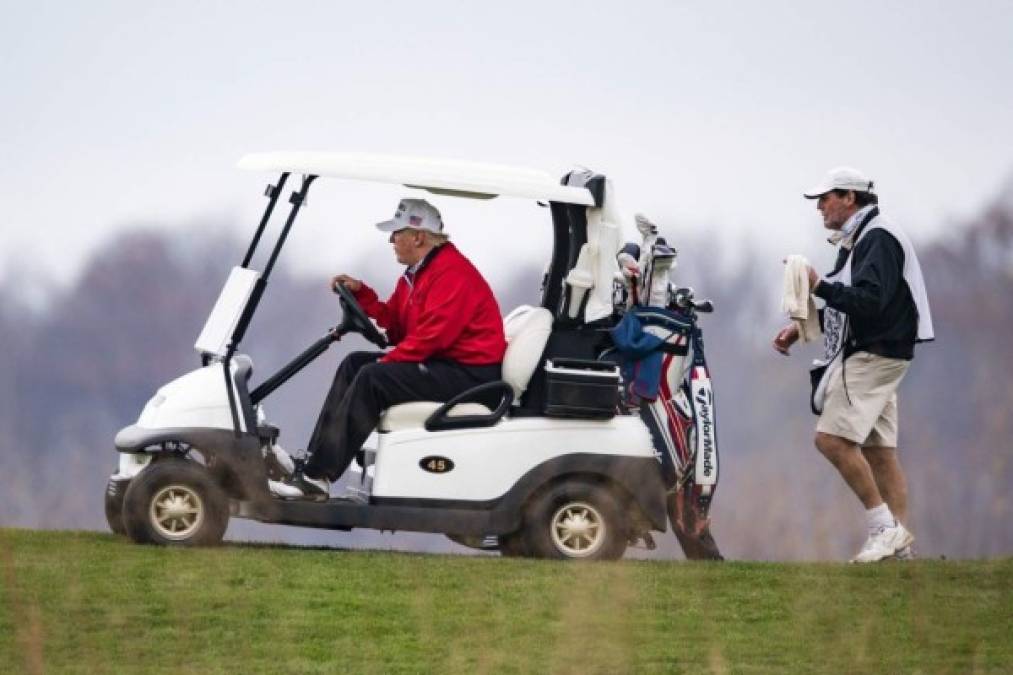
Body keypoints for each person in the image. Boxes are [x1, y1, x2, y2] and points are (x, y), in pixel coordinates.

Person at [270, 198, 507, 500]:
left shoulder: (452, 275)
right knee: (354, 364)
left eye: (396, 233)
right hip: (446, 365)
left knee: (372, 377)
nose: (391, 240)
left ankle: (318, 476)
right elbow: (395, 326)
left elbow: (431, 339)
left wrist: (388, 362)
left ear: (418, 237)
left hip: (472, 378)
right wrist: (363, 295)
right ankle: (312, 466)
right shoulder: (417, 274)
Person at [773, 167, 934, 563]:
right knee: (880, 451)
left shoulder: (876, 237)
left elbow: (868, 302)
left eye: (825, 199)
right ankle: (901, 548)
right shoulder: (860, 237)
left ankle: (884, 528)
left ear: (850, 198)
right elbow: (853, 305)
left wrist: (816, 285)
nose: (819, 208)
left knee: (830, 440)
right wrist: (801, 327)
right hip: (887, 351)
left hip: (874, 353)